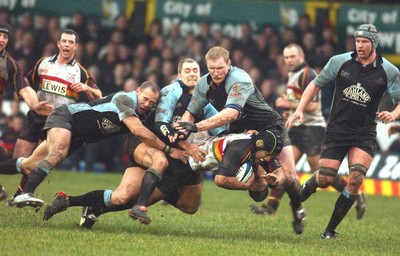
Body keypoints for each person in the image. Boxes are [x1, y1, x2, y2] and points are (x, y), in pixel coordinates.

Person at [175, 46, 306, 234]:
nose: (216, 72)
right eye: (211, 68)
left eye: (220, 68)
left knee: (290, 177)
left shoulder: (240, 79)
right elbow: (189, 114)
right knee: (259, 189)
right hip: (242, 132)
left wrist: (197, 127)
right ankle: (259, 183)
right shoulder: (204, 84)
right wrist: (179, 137)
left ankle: (298, 211)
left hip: (269, 127)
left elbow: (231, 113)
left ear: (229, 64)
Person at [286, 24, 400, 239]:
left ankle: (329, 231)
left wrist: (393, 114)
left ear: (374, 43)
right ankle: (303, 191)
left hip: (364, 133)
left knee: (355, 179)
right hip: (337, 130)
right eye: (357, 41)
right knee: (326, 179)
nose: (360, 45)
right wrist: (299, 109)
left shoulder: (389, 71)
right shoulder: (340, 61)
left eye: (364, 42)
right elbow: (314, 85)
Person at [42, 129, 284, 229]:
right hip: (178, 162)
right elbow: (221, 180)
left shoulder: (251, 142)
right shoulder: (237, 152)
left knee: (188, 207)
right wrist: (247, 185)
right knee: (124, 199)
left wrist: (264, 177)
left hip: (189, 166)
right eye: (268, 157)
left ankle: (97, 207)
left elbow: (256, 163)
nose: (267, 160)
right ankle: (69, 200)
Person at [1, 81, 185, 208]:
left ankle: (20, 188)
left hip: (79, 136)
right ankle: (26, 193)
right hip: (66, 117)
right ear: (137, 91)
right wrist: (169, 150)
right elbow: (138, 131)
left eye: (152, 102)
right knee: (58, 153)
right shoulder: (125, 99)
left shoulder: (143, 112)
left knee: (28, 165)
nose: (147, 104)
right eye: (145, 99)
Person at [249, 44, 366, 219]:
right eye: (286, 57)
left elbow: (314, 105)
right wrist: (291, 112)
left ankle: (356, 195)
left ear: (301, 56)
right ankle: (271, 208)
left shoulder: (307, 74)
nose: (289, 60)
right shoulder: (293, 74)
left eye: (292, 57)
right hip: (297, 129)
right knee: (285, 169)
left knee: (323, 173)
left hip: (312, 129)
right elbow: (300, 103)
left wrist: (286, 104)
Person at [6, 28, 102, 205]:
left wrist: (86, 88)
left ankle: (18, 196)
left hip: (58, 123)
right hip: (36, 116)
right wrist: (22, 94)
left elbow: (99, 95)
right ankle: (15, 193)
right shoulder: (43, 64)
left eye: (71, 42)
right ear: (58, 43)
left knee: (36, 162)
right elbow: (25, 81)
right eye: (64, 41)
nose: (67, 45)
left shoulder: (80, 72)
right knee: (19, 157)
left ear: (76, 47)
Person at [127, 58, 226, 223]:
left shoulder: (204, 101)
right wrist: (184, 144)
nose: (192, 74)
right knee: (124, 196)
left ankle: (155, 192)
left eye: (195, 70)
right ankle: (138, 206)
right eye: (187, 71)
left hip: (175, 149)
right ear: (179, 75)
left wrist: (241, 135)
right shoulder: (171, 91)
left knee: (190, 206)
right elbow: (160, 125)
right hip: (147, 141)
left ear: (201, 76)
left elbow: (220, 127)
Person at [0, 20, 53, 159]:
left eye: (5, 37)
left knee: (10, 159)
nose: (2, 40)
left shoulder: (11, 65)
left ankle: (14, 164)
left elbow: (24, 89)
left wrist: (35, 105)